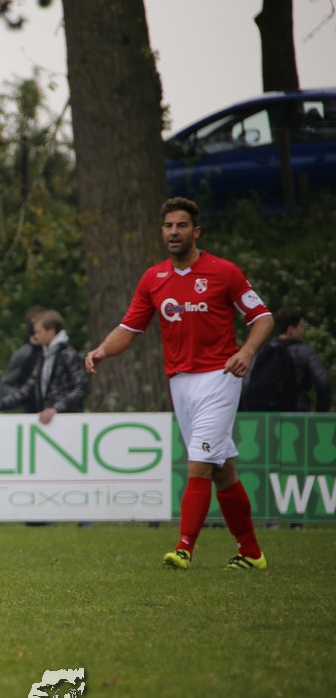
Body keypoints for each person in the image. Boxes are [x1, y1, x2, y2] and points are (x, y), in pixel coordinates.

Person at [85, 197, 274, 571]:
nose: (174, 232)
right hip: (180, 383)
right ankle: (252, 553)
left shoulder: (224, 272)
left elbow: (263, 317)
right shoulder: (153, 278)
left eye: (182, 225)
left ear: (196, 231)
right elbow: (129, 327)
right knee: (222, 470)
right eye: (168, 226)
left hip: (220, 377)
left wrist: (247, 352)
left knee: (199, 464)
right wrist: (103, 350)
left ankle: (184, 548)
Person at [0, 309, 89, 424]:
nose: (36, 336)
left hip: (68, 422)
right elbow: (27, 389)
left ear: (51, 331)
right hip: (46, 421)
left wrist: (56, 409)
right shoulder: (43, 356)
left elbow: (82, 387)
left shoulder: (68, 355)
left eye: (38, 332)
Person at [242, 307, 331, 412]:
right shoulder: (304, 352)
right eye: (300, 326)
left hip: (265, 415)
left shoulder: (263, 351)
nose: (302, 331)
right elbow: (322, 381)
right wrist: (321, 411)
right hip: (297, 413)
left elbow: (246, 382)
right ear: (291, 330)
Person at [0, 307, 45, 413]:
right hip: (31, 414)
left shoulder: (59, 352)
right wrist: (22, 397)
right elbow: (4, 385)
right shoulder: (23, 354)